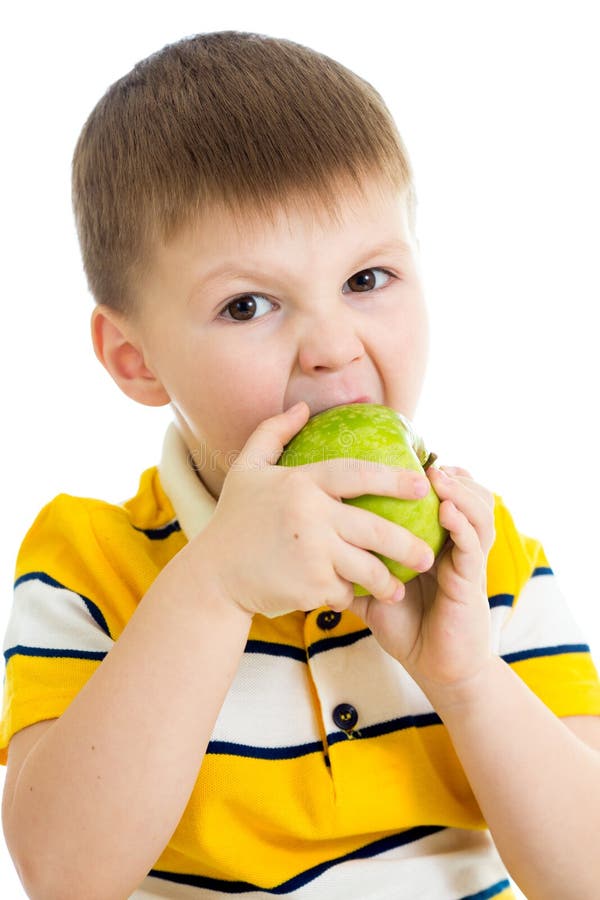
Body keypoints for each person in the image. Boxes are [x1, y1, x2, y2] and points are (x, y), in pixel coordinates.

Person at [1, 31, 599, 900]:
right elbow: (65, 877)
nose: (330, 347)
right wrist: (213, 589)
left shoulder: (484, 559)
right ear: (136, 359)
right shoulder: (87, 560)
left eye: (368, 279)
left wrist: (466, 679)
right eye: (248, 304)